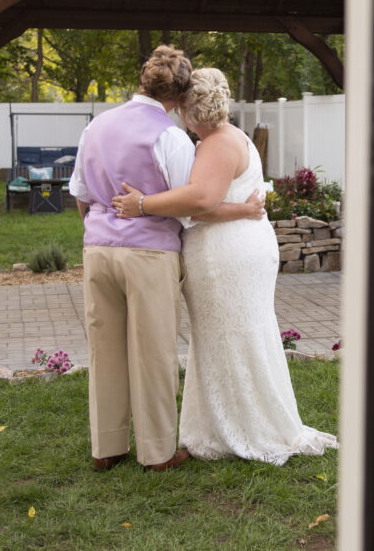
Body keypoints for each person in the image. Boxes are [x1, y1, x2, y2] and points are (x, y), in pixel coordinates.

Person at [111, 67, 338, 465]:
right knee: (235, 338)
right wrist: (245, 208)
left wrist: (142, 204)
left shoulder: (214, 145)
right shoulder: (234, 137)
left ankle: (246, 430)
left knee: (232, 339)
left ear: (188, 109)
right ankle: (222, 427)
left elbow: (200, 203)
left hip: (226, 257)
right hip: (239, 250)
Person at [68, 47, 264, 473]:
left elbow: (81, 196)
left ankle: (107, 447)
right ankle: (157, 453)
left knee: (105, 349)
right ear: (177, 98)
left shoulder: (96, 126)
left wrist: (101, 232)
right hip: (149, 255)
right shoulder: (170, 137)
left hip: (97, 251)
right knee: (153, 352)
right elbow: (194, 207)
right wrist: (244, 210)